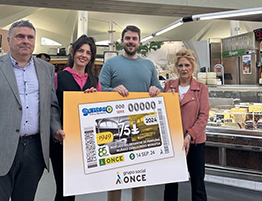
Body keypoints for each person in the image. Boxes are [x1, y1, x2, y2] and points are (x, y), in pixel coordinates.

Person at [0, 20, 65, 201]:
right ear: (9, 40)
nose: (26, 41)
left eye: (30, 37)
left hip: (35, 150)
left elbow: (51, 106)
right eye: (20, 36)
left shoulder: (46, 69)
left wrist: (55, 128)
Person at [99, 25, 162, 201]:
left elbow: (159, 88)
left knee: (140, 174)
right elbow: (100, 89)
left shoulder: (148, 65)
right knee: (116, 173)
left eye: (134, 38)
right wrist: (112, 90)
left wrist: (155, 89)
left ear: (139, 42)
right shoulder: (111, 64)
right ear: (122, 41)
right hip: (116, 125)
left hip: (142, 125)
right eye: (128, 38)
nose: (131, 42)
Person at [51, 35, 101, 201]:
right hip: (62, 142)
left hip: (85, 144)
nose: (84, 55)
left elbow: (100, 114)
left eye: (88, 52)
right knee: (64, 188)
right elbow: (53, 108)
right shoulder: (58, 78)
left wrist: (93, 100)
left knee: (73, 188)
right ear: (72, 52)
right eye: (80, 50)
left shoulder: (95, 81)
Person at [163, 49, 209, 201]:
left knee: (197, 183)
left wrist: (189, 135)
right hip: (174, 142)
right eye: (181, 65)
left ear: (193, 67)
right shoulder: (169, 86)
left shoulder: (201, 89)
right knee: (170, 184)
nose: (184, 69)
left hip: (195, 142)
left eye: (187, 65)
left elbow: (203, 116)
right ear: (176, 67)